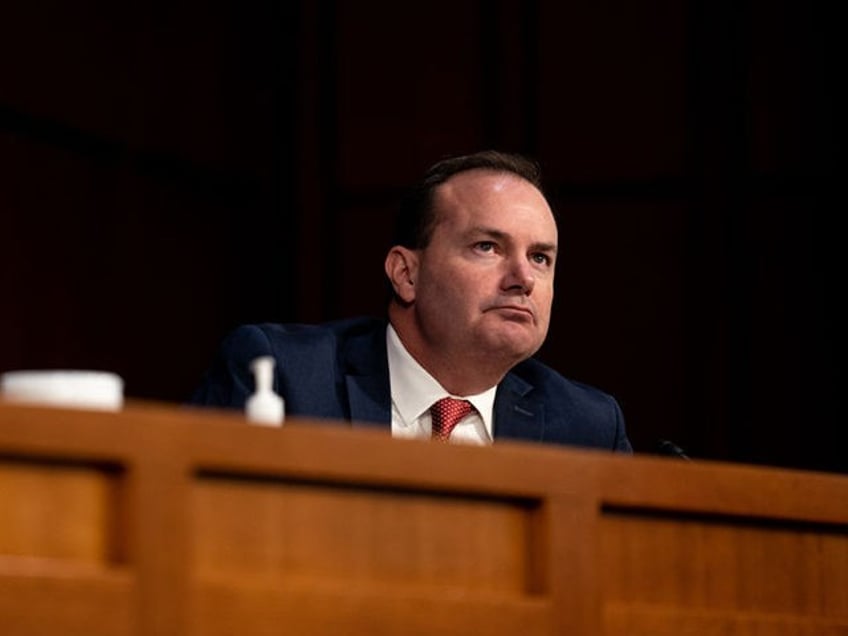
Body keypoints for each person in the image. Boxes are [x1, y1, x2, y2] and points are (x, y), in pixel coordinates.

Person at [190, 150, 632, 452]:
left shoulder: (586, 427)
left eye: (540, 257)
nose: (523, 279)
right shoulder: (287, 380)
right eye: (487, 247)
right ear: (406, 274)